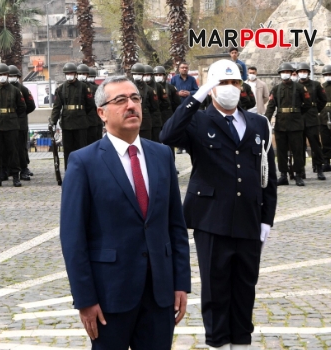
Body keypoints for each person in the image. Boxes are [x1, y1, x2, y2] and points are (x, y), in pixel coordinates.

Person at [60, 75, 191, 349]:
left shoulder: (162, 155)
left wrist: (181, 282)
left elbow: (175, 226)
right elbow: (73, 238)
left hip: (159, 294)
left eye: (135, 99)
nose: (131, 106)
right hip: (110, 297)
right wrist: (85, 300)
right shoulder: (83, 162)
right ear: (101, 113)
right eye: (120, 100)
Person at [160, 59, 278, 350]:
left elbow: (268, 174)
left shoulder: (258, 122)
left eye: (235, 83)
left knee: (245, 287)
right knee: (216, 289)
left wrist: (266, 220)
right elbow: (167, 135)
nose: (230, 89)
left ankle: (241, 343)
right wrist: (197, 97)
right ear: (212, 88)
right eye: (223, 83)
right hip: (212, 219)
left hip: (249, 218)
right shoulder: (199, 120)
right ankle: (218, 343)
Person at [265, 63, 312, 186]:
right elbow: (270, 107)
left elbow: (307, 103)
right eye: (283, 72)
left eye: (287, 71)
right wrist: (265, 120)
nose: (285, 74)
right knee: (281, 151)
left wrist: (297, 112)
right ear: (280, 74)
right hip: (281, 124)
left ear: (291, 73)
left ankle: (298, 175)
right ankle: (283, 175)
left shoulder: (300, 88)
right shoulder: (276, 89)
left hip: (296, 124)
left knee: (297, 150)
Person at [0, 63, 27, 187]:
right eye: (0, 75)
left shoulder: (16, 91)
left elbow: (22, 107)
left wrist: (14, 118)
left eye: (4, 74)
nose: (2, 77)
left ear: (8, 75)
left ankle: (15, 177)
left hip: (11, 125)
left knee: (13, 151)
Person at [49, 63, 94, 168]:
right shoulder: (61, 89)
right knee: (68, 150)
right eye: (67, 73)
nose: (69, 75)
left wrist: (82, 114)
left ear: (75, 74)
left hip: (81, 123)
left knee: (82, 148)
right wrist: (53, 121)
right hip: (67, 123)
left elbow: (90, 105)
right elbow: (57, 107)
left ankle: (83, 169)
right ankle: (69, 170)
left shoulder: (84, 87)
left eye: (71, 73)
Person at [296, 62, 327, 179]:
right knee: (299, 146)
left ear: (308, 73)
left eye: (305, 71)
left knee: (315, 144)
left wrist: (315, 109)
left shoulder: (316, 85)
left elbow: (323, 100)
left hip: (312, 117)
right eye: (300, 72)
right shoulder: (295, 86)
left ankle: (319, 168)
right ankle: (301, 170)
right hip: (299, 118)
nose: (303, 74)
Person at [9, 65, 37, 180]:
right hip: (8, 123)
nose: (11, 78)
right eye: (9, 76)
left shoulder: (23, 89)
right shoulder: (4, 89)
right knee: (10, 147)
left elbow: (31, 106)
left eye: (13, 76)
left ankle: (24, 168)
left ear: (18, 77)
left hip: (21, 123)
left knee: (21, 147)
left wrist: (21, 114)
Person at [130, 63, 158, 141]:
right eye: (135, 74)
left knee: (146, 143)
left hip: (145, 122)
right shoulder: (128, 88)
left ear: (143, 74)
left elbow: (154, 106)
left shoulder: (149, 90)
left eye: (139, 74)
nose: (137, 75)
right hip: (131, 121)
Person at [78, 64, 102, 145]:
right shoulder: (79, 87)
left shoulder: (95, 88)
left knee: (94, 140)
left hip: (94, 119)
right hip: (82, 119)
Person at [144, 64, 164, 141]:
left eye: (148, 74)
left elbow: (165, 102)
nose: (146, 76)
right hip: (145, 120)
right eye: (144, 75)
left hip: (155, 118)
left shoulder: (158, 86)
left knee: (156, 140)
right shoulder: (140, 87)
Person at [87, 67, 104, 142]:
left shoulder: (98, 88)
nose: (90, 78)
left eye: (92, 77)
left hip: (96, 119)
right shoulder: (84, 87)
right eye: (89, 76)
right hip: (88, 120)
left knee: (96, 139)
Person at [320, 65, 331, 171]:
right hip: (324, 117)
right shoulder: (321, 87)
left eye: (329, 74)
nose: (328, 76)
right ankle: (326, 161)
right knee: (325, 141)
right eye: (326, 75)